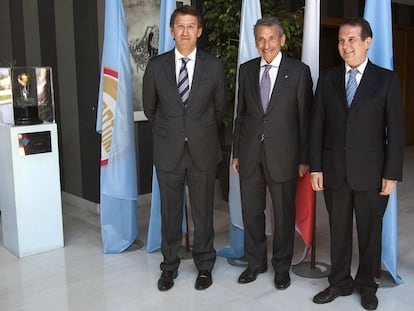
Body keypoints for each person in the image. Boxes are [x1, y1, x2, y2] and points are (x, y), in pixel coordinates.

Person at [310, 17, 404, 310]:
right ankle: (338, 282)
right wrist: (316, 166)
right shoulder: (327, 79)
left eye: (351, 39)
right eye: (341, 40)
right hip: (335, 171)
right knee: (338, 230)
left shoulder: (386, 79)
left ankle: (367, 285)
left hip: (372, 173)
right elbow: (317, 126)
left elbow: (396, 130)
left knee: (369, 233)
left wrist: (392, 173)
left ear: (367, 42)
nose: (345, 46)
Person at [143, 5, 227, 291]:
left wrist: (195, 131)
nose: (185, 32)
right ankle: (169, 267)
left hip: (202, 150)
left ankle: (204, 266)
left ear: (199, 31)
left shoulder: (214, 66)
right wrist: (175, 132)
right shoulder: (156, 67)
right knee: (170, 214)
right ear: (171, 30)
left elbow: (219, 111)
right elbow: (150, 110)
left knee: (203, 212)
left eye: (191, 26)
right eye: (180, 26)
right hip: (169, 153)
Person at [232, 16, 313, 289]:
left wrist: (304, 158)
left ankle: (281, 267)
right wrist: (236, 152)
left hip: (285, 156)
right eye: (261, 39)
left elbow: (306, 119)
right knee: (252, 211)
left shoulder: (299, 71)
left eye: (271, 38)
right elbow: (241, 116)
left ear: (282, 40)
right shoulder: (246, 70)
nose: (266, 44)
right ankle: (255, 263)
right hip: (250, 153)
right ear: (256, 43)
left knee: (283, 213)